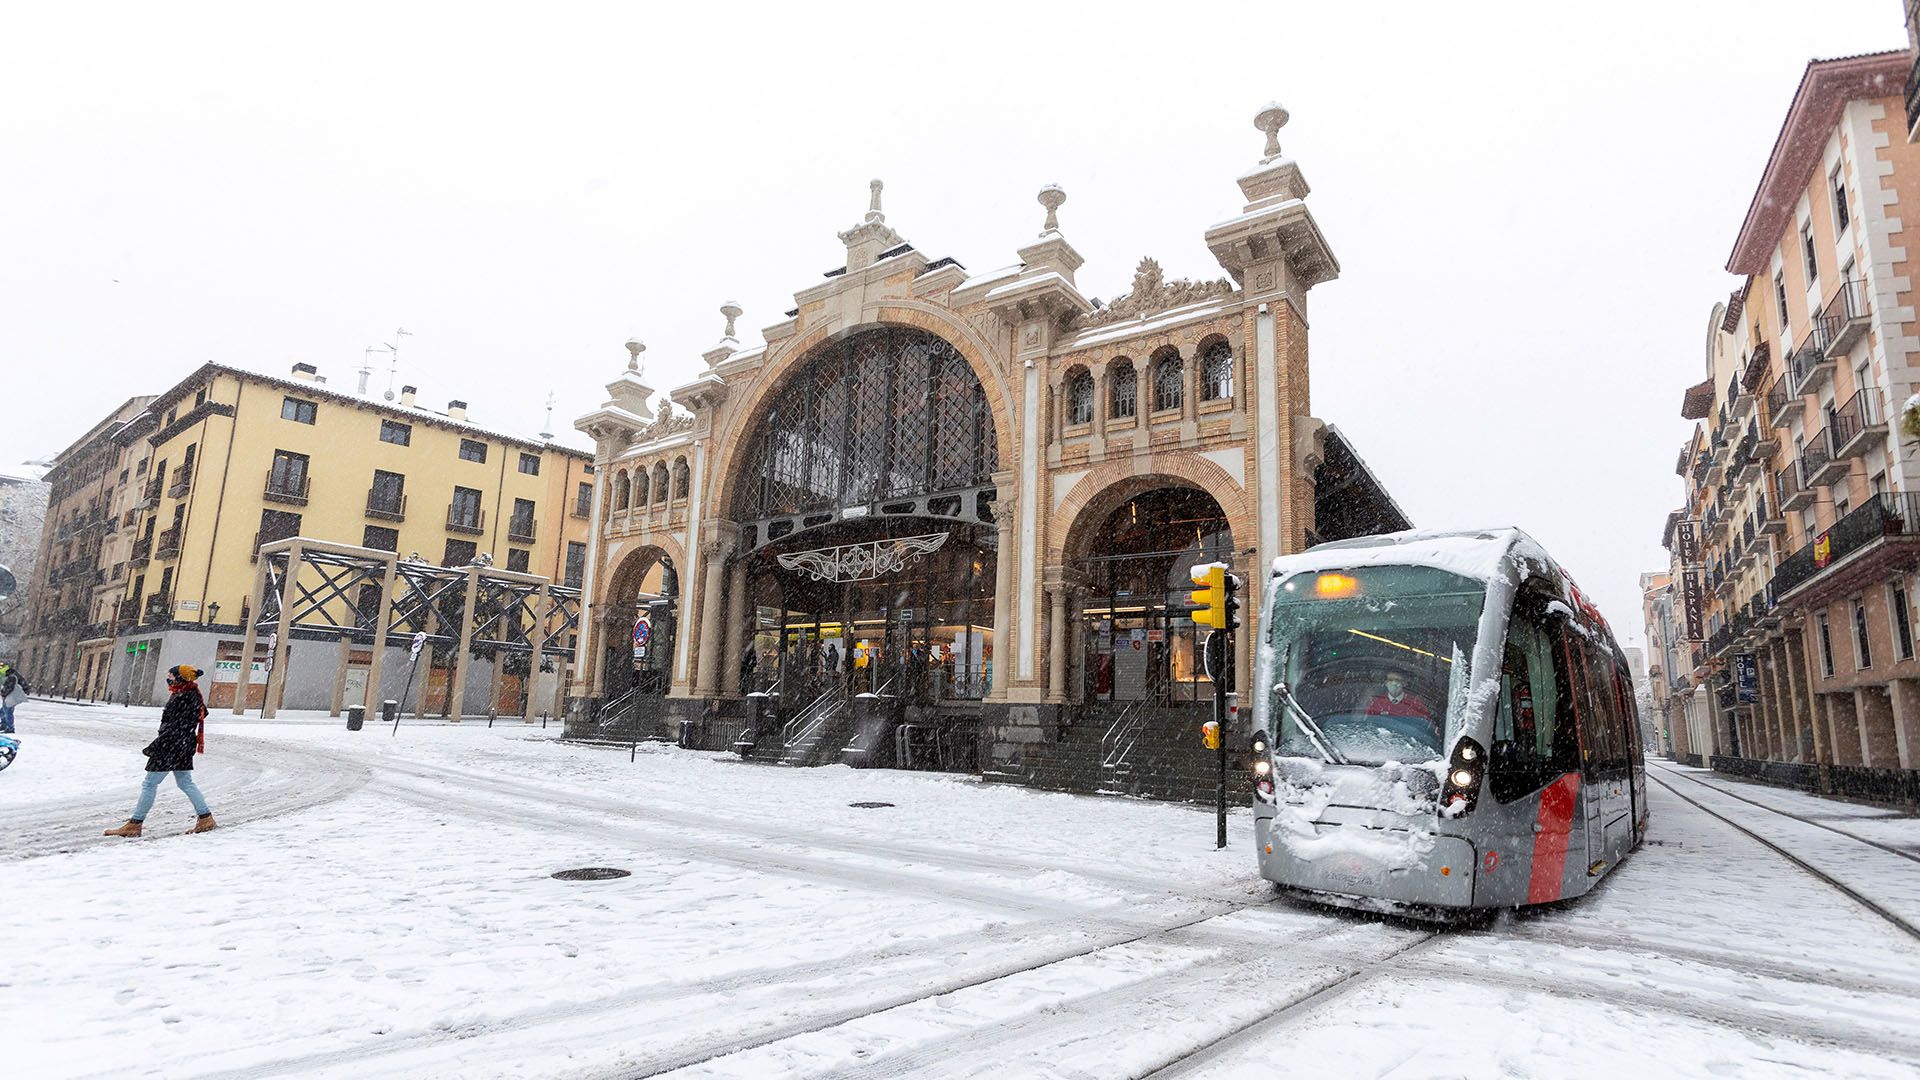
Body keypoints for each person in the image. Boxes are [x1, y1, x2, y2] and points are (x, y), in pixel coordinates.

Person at [103, 665, 216, 838]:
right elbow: (196, 718)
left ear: (179, 678)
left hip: (170, 746)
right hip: (183, 745)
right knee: (185, 782)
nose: (168, 679)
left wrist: (156, 745)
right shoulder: (192, 695)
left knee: (150, 784)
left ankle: (135, 824)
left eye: (170, 676)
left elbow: (176, 728)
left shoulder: (183, 697)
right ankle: (205, 818)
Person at [1364, 673, 1436, 734]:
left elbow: (1425, 728)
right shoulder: (1376, 703)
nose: (1394, 683)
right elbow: (1369, 725)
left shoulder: (1416, 704)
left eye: (1397, 680)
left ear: (1404, 683)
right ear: (1385, 683)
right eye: (1390, 680)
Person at [0, 661, 28, 734]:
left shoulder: (11, 677)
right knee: (3, 711)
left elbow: (9, 687)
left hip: (11, 697)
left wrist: (3, 693)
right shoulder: (12, 676)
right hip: (10, 697)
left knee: (8, 711)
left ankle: (10, 728)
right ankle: (4, 725)